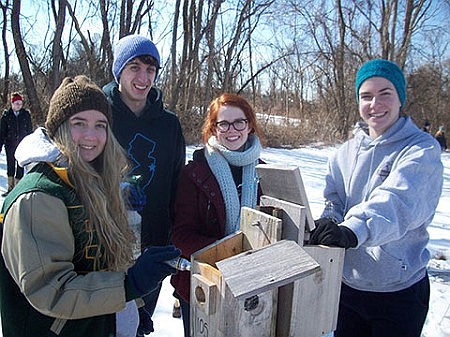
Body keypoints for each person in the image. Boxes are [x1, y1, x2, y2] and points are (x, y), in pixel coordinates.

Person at [0, 75, 180, 337]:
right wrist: (129, 285)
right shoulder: (38, 197)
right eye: (78, 123)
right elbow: (51, 289)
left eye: (100, 125)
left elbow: (102, 263)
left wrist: (129, 306)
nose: (91, 136)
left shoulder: (91, 183)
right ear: (59, 127)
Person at [309, 59, 443, 337]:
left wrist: (350, 230)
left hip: (398, 292)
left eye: (385, 94)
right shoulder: (344, 153)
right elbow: (335, 201)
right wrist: (329, 225)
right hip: (348, 288)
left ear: (400, 99)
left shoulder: (421, 149)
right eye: (366, 96)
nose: (375, 104)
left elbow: (397, 202)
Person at [103, 34, 186, 336]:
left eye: (150, 69)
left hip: (152, 244)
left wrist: (174, 238)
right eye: (134, 67)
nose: (143, 77)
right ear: (119, 71)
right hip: (104, 244)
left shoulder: (169, 124)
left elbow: (177, 184)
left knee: (139, 326)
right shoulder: (101, 115)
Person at [170, 93, 264, 336]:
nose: (232, 130)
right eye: (223, 123)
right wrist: (230, 255)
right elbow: (181, 236)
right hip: (203, 285)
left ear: (250, 125)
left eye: (239, 122)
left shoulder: (266, 172)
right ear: (213, 128)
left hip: (254, 285)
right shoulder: (195, 173)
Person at [0, 92, 33, 196]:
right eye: (16, 103)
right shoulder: (6, 115)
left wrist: (30, 143)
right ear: (12, 104)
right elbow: (1, 133)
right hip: (10, 145)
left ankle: (18, 188)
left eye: (20, 103)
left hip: (22, 145)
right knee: (11, 165)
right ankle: (10, 188)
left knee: (20, 165)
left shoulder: (26, 114)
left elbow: (29, 130)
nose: (18, 105)